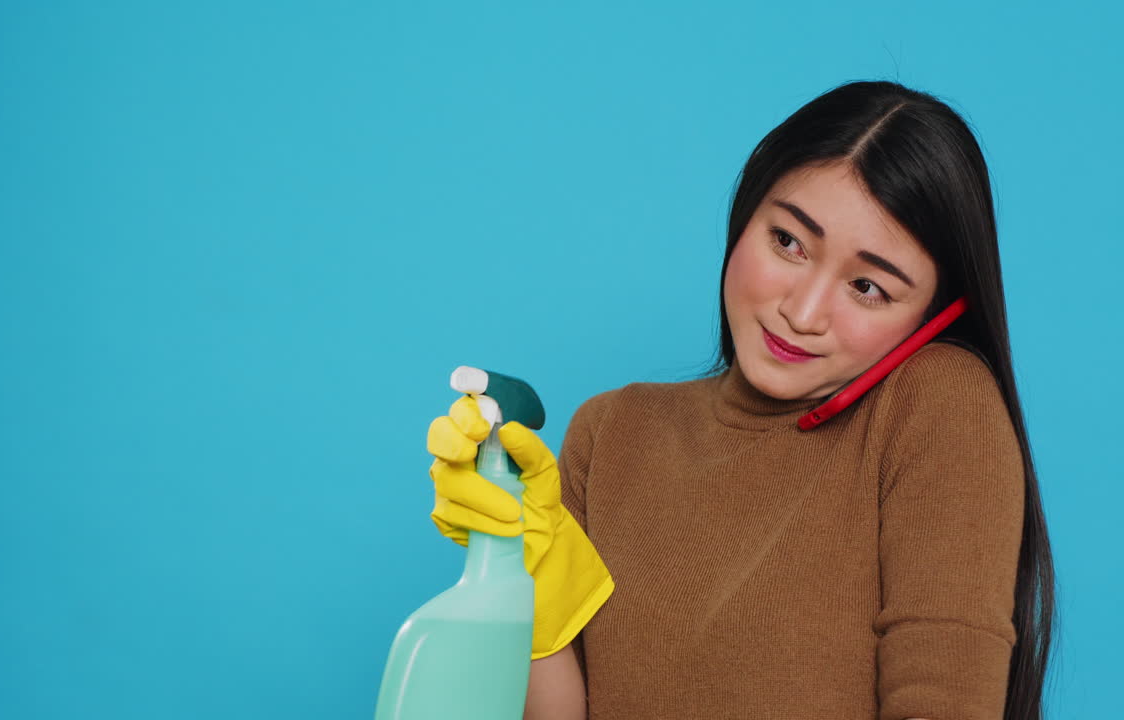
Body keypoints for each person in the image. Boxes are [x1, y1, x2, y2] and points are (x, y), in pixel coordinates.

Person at [425, 80, 1055, 720]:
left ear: (933, 315)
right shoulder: (611, 431)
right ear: (745, 215)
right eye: (788, 242)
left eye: (867, 286)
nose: (802, 313)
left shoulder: (936, 403)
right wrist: (516, 573)